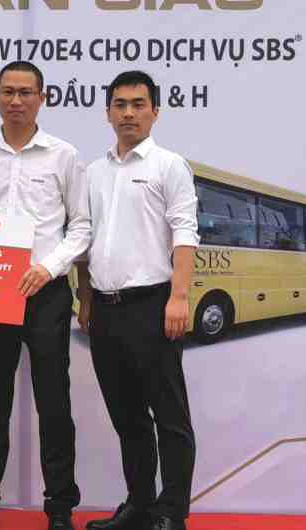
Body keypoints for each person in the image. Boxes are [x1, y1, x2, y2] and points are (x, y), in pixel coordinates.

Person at [0, 61, 91, 530]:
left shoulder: (63, 156)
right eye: (7, 92)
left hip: (46, 294)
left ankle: (59, 507)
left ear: (42, 98)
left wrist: (47, 267)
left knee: (54, 403)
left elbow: (81, 227)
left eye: (25, 92)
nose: (16, 100)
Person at [76, 71, 199, 530]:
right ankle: (140, 506)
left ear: (155, 112)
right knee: (127, 416)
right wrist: (85, 298)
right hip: (105, 311)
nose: (128, 113)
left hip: (154, 306)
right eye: (120, 104)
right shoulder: (93, 172)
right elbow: (85, 238)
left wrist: (179, 296)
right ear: (108, 112)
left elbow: (185, 232)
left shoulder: (169, 165)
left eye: (138, 104)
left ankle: (172, 513)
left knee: (169, 417)